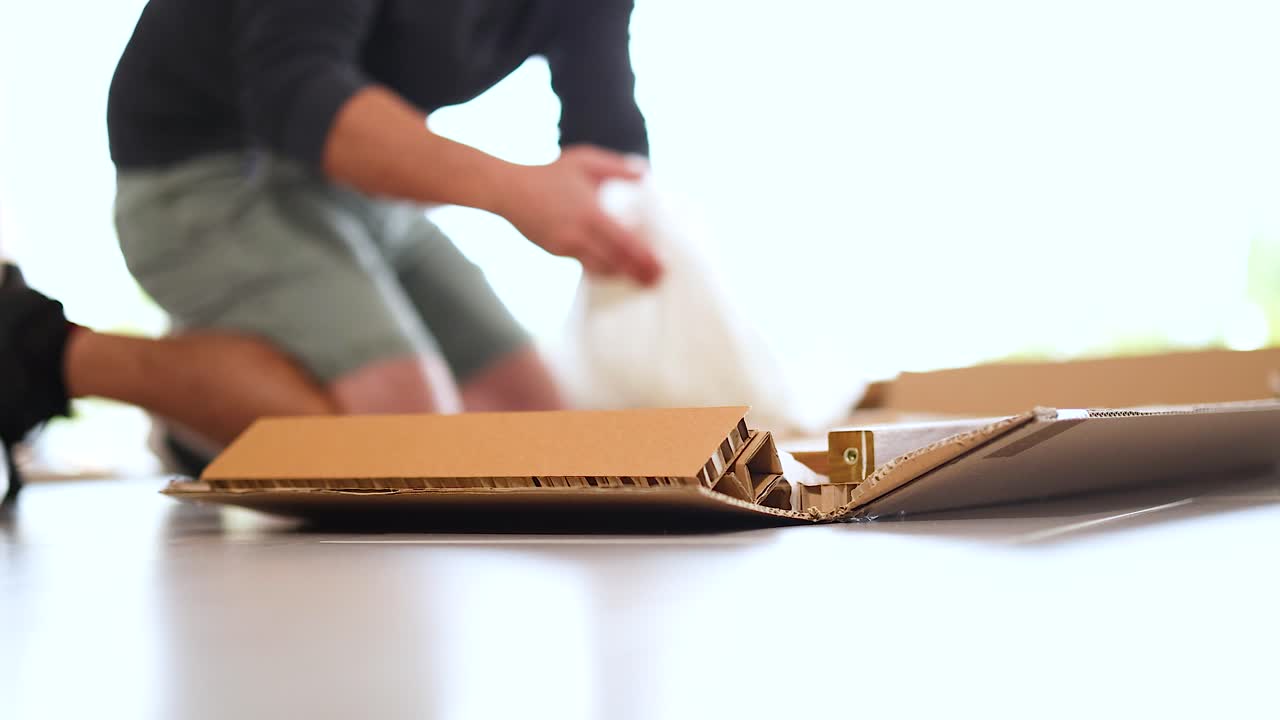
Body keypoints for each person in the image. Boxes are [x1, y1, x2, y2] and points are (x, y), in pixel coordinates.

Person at [0, 0, 663, 503]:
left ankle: (227, 402)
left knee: (543, 429)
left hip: (355, 183)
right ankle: (33, 345)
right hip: (203, 167)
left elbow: (604, 130)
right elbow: (297, 87)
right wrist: (513, 190)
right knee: (404, 438)